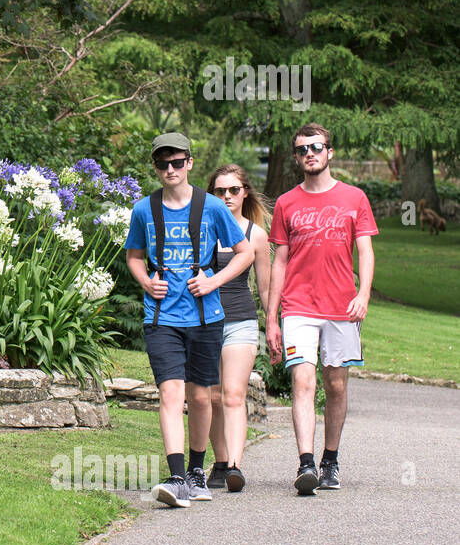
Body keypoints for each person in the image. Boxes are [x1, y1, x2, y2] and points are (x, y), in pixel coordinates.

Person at [125, 132, 254, 508]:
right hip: (162, 317)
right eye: (163, 163)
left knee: (200, 396)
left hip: (206, 316)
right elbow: (134, 256)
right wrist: (147, 281)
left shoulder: (212, 207)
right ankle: (176, 475)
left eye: (177, 162)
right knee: (170, 392)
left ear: (189, 164)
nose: (170, 169)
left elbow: (244, 253)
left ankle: (197, 472)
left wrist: (213, 279)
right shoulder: (143, 210)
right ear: (155, 167)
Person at [266, 124, 377, 495]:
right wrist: (272, 318)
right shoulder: (285, 203)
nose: (309, 153)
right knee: (303, 379)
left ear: (329, 152)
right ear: (296, 158)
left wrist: (363, 294)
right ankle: (305, 464)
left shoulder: (355, 198)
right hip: (298, 306)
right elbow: (279, 261)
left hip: (342, 306)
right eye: (302, 150)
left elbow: (365, 250)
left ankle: (330, 459)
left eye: (316, 147)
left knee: (336, 384)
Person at [204, 165, 272, 493]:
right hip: (204, 322)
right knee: (213, 397)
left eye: (234, 190)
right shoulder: (201, 229)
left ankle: (234, 466)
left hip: (240, 321)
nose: (227, 196)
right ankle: (219, 463)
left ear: (245, 192)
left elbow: (266, 287)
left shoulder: (255, 235)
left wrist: (272, 325)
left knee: (233, 394)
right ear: (212, 195)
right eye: (220, 191)